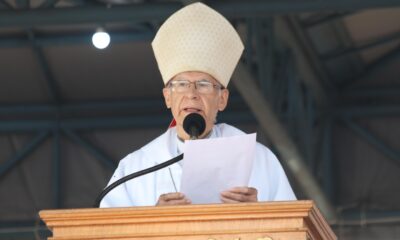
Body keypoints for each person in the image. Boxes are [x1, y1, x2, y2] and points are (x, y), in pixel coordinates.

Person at [100, 2, 296, 208]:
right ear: (168, 97)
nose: (191, 94)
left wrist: (260, 212)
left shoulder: (259, 159)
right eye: (182, 84)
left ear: (222, 99)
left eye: (203, 85)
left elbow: (294, 229)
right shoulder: (136, 167)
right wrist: (153, 220)